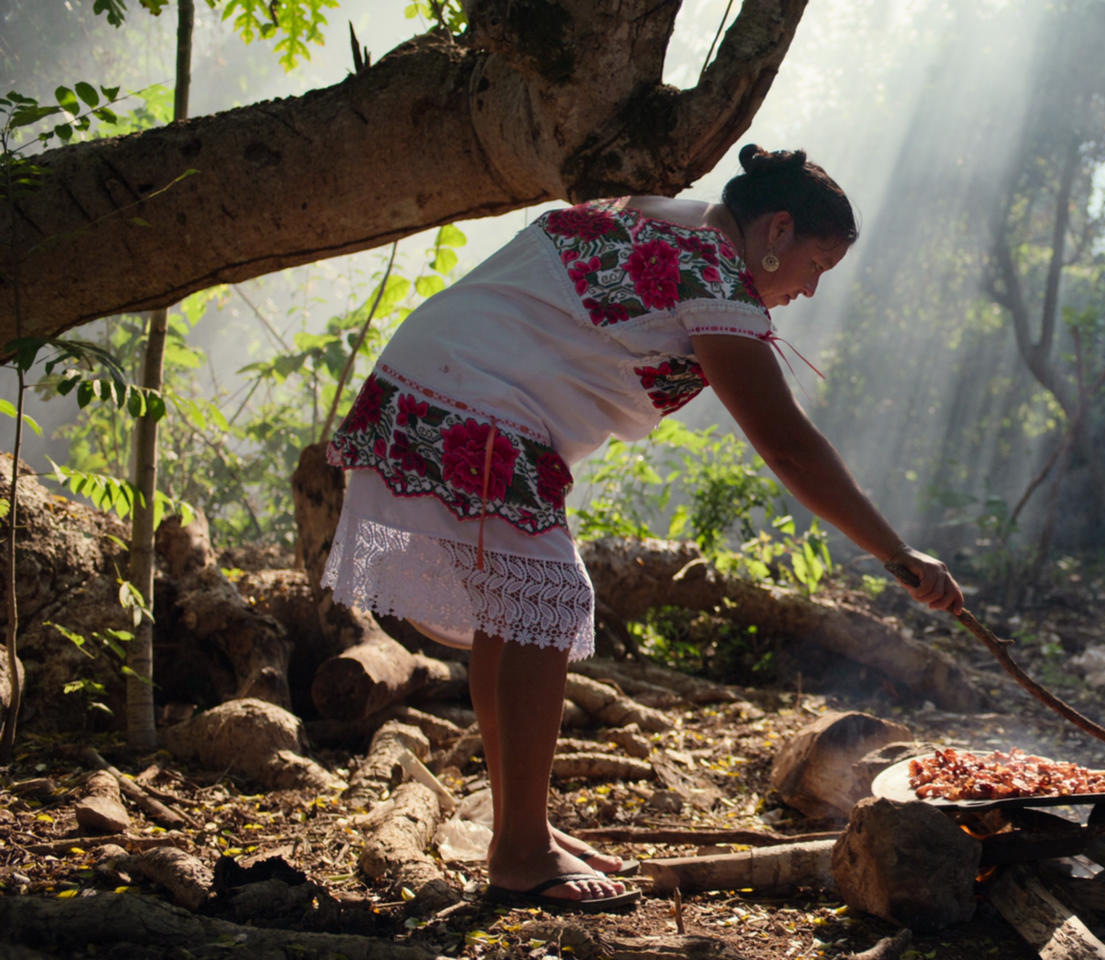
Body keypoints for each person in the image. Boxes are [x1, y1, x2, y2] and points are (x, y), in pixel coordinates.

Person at [322, 145, 964, 912]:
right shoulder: (712, 275)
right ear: (779, 229)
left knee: (523, 606)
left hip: (431, 382)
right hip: (472, 404)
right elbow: (787, 445)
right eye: (815, 265)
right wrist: (895, 550)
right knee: (545, 601)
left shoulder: (662, 212)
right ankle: (521, 852)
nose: (808, 290)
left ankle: (522, 831)